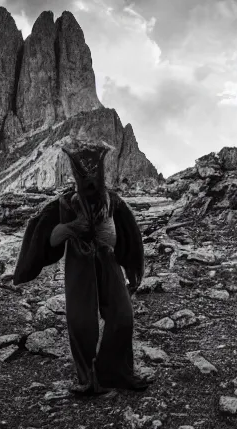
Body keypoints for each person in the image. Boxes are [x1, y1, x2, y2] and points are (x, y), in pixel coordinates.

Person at [13, 140, 151, 395]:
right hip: (79, 267)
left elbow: (128, 232)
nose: (89, 185)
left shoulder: (112, 201)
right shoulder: (65, 204)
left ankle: (116, 372)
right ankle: (88, 379)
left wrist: (124, 254)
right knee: (81, 323)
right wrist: (69, 229)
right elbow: (50, 238)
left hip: (108, 264)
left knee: (122, 316)